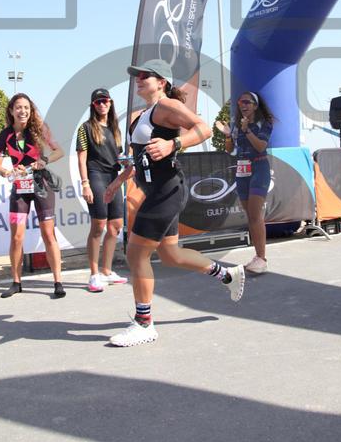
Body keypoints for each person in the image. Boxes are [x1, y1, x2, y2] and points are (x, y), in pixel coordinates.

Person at [104, 59, 245, 348]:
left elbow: (204, 129)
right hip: (157, 190)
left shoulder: (167, 106)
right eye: (137, 76)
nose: (139, 79)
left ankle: (144, 324)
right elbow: (139, 157)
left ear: (161, 82)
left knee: (136, 254)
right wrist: (118, 181)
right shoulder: (140, 116)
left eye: (145, 75)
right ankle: (227, 274)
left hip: (166, 190)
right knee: (170, 255)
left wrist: (174, 144)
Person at [0, 93, 66, 299]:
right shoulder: (5, 134)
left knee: (48, 234)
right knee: (16, 237)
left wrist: (44, 161)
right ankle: (16, 282)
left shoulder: (40, 128)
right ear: (11, 110)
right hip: (20, 187)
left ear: (30, 110)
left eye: (26, 107)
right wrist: (7, 172)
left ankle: (58, 282)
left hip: (41, 186)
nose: (22, 111)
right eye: (18, 107)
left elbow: (59, 151)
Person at [216, 91, 274, 274]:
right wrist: (228, 135)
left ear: (255, 106)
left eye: (247, 102)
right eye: (240, 102)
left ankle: (262, 259)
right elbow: (230, 150)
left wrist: (246, 129)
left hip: (259, 168)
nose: (243, 105)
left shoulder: (265, 123)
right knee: (250, 216)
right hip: (242, 170)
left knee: (256, 215)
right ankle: (258, 257)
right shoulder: (236, 125)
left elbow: (260, 146)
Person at [76, 87, 128, 292]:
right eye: (98, 102)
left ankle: (107, 271)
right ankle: (94, 275)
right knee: (98, 226)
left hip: (113, 177)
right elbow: (82, 159)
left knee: (116, 226)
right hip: (95, 176)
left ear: (110, 102)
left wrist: (126, 161)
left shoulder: (115, 128)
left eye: (105, 100)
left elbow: (118, 156)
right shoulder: (86, 128)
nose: (102, 104)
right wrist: (85, 183)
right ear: (93, 105)